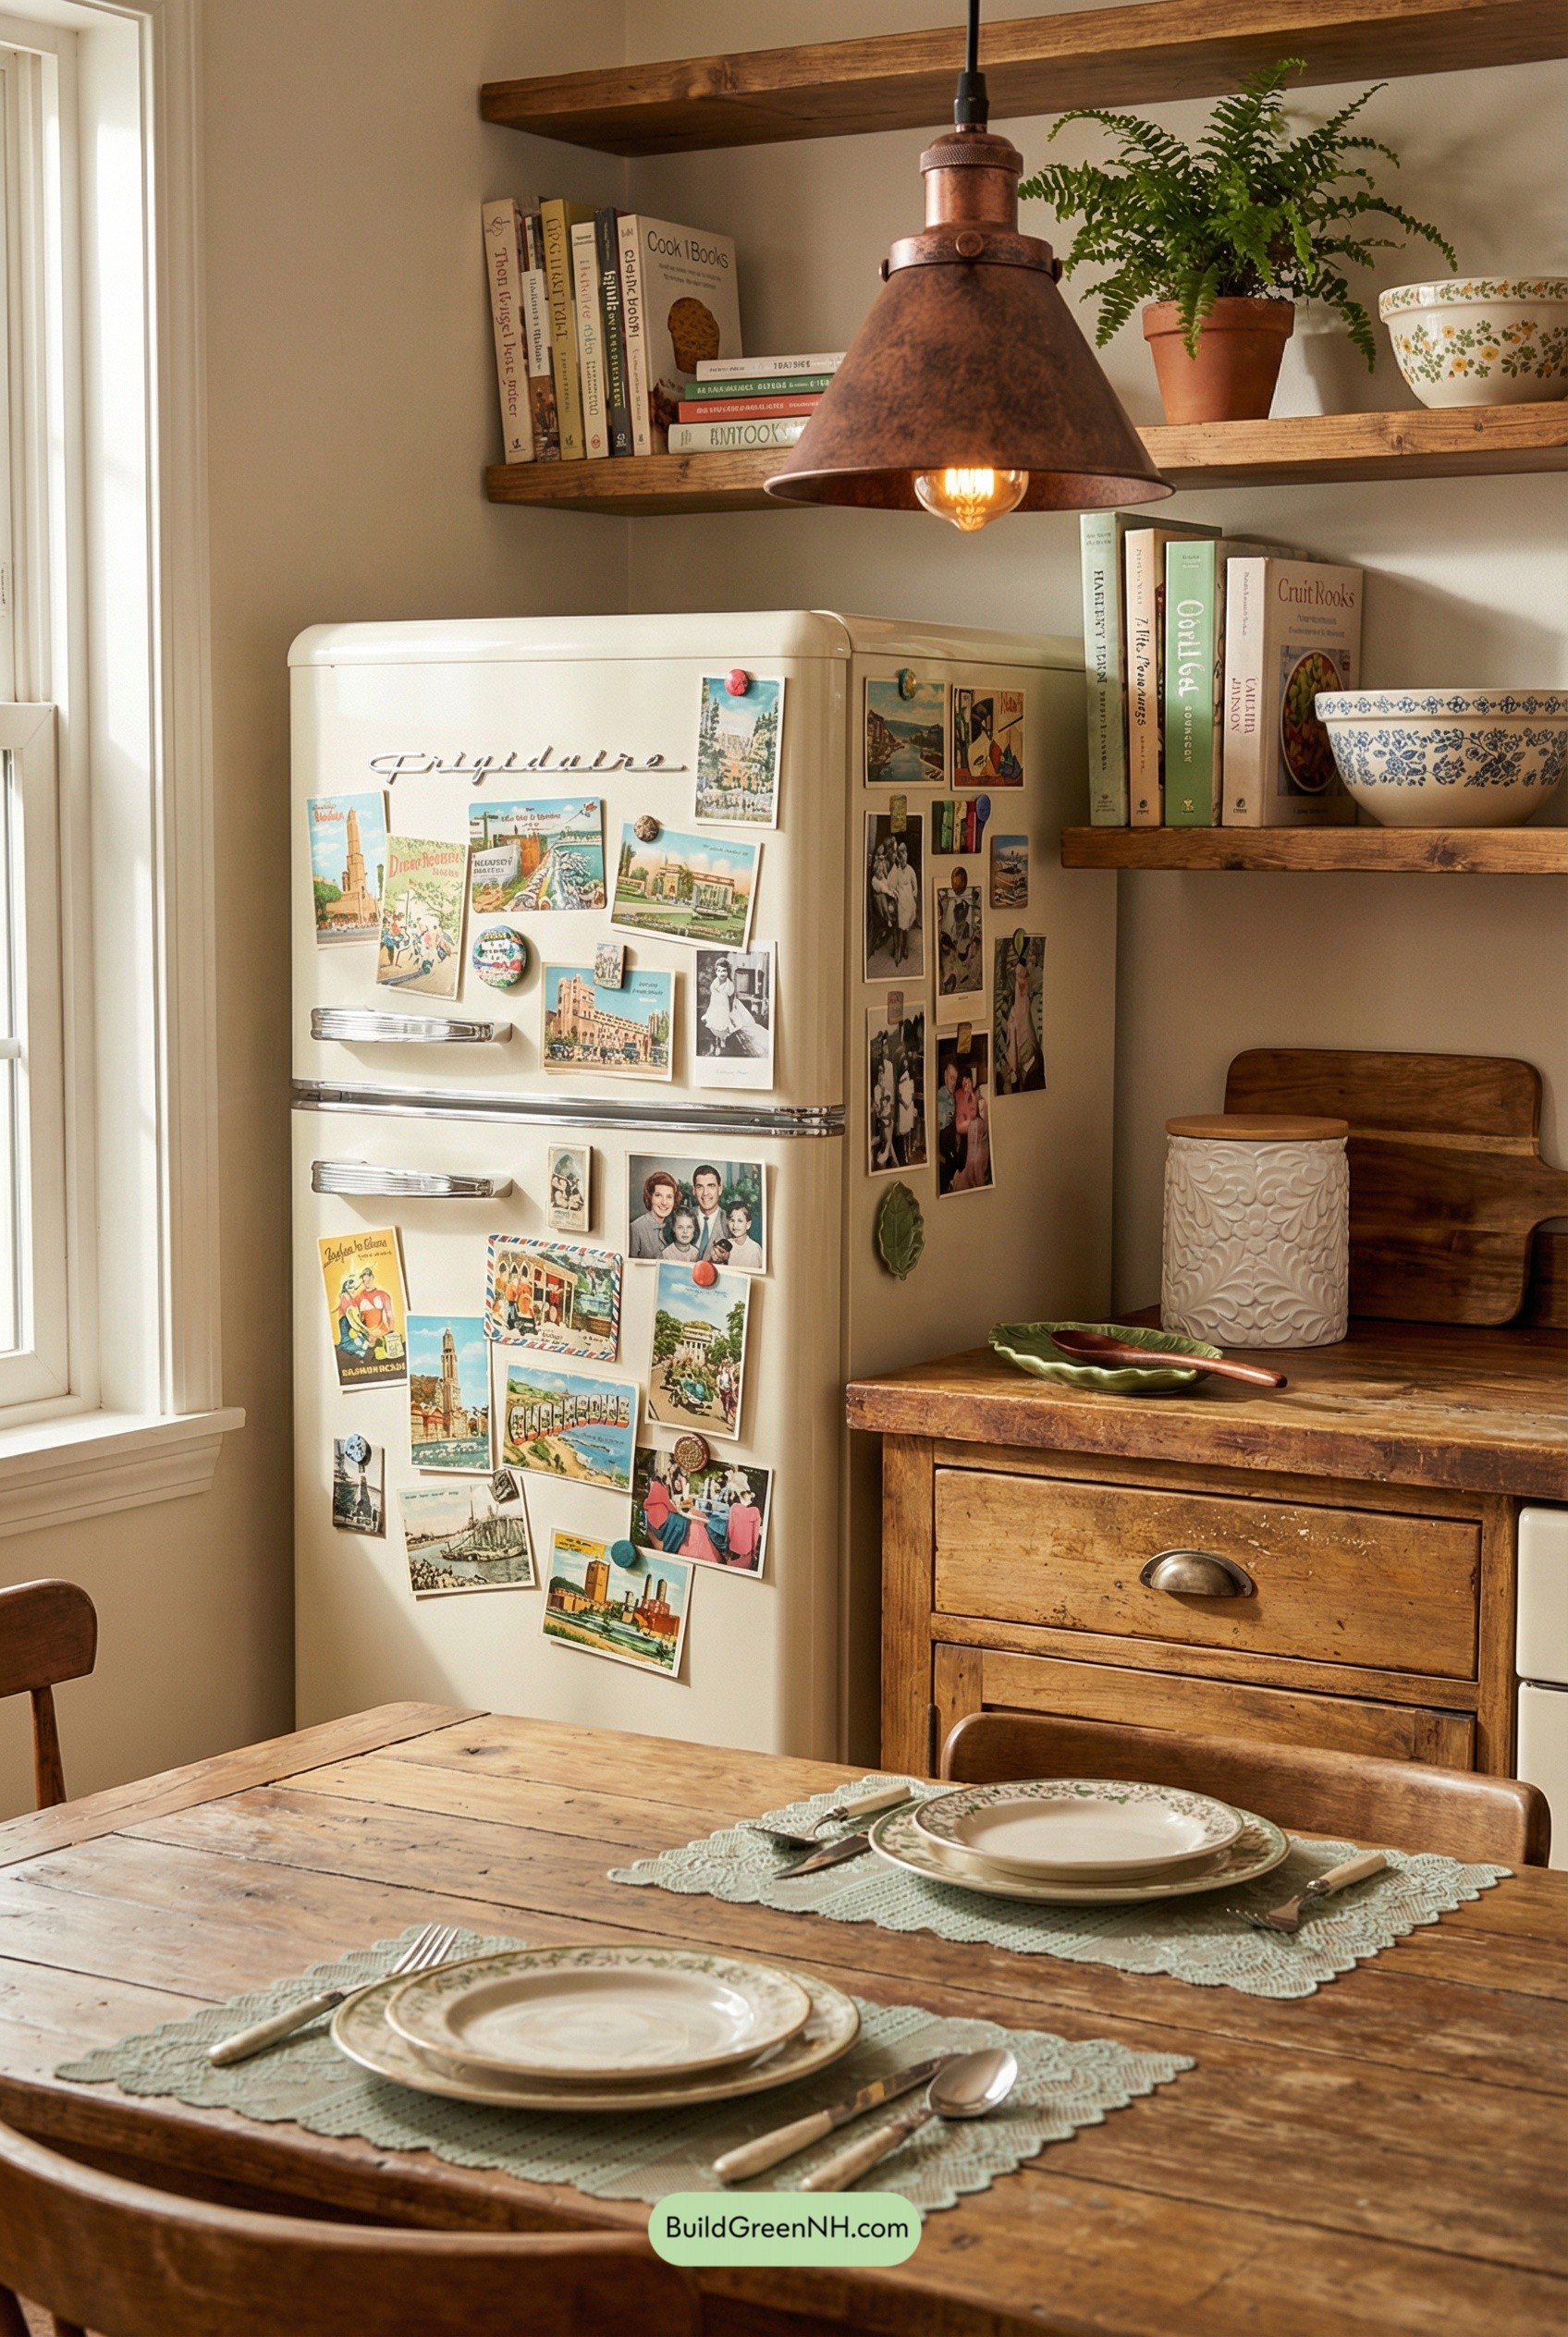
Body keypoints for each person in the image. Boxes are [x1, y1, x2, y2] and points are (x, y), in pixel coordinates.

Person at [1004, 953, 1041, 1092]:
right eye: (1019, 978)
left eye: (1024, 978)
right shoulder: (1012, 1009)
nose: (1021, 982)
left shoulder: (1032, 1004)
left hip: (1030, 1061)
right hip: (1018, 1065)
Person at [630, 1170, 680, 1257]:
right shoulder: (635, 1228)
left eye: (669, 1197)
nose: (664, 1202)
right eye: (658, 1195)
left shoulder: (676, 1226)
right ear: (650, 1197)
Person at [890, 839, 920, 966]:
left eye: (904, 854)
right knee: (898, 924)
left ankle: (905, 946)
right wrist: (896, 893)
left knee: (906, 925)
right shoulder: (896, 871)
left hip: (908, 898)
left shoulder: (910, 870)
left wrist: (914, 895)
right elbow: (892, 885)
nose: (903, 858)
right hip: (899, 897)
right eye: (900, 855)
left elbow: (915, 886)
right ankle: (898, 947)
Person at [724, 1483, 763, 1572]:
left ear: (741, 1498)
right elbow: (755, 1533)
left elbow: (730, 1526)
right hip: (747, 1547)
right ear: (751, 1500)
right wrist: (754, 1549)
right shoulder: (755, 1511)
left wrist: (729, 1540)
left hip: (734, 1543)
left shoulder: (734, 1507)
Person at [691, 1167, 726, 1256]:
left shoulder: (730, 1222)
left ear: (720, 1189)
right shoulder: (684, 1217)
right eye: (700, 1187)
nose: (705, 1193)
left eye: (711, 1186)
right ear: (694, 1190)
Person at [701, 960, 735, 1052]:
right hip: (715, 1005)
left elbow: (731, 994)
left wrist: (731, 1009)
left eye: (724, 971)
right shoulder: (715, 982)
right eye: (719, 971)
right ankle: (715, 1043)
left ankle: (722, 1040)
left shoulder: (729, 984)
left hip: (724, 1006)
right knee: (713, 1022)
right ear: (716, 972)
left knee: (723, 1022)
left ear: (728, 971)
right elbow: (713, 995)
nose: (721, 973)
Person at [721, 1200, 764, 1270]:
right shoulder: (725, 1245)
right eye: (732, 1220)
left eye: (740, 1221)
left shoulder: (754, 1249)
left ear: (748, 1224)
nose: (735, 1225)